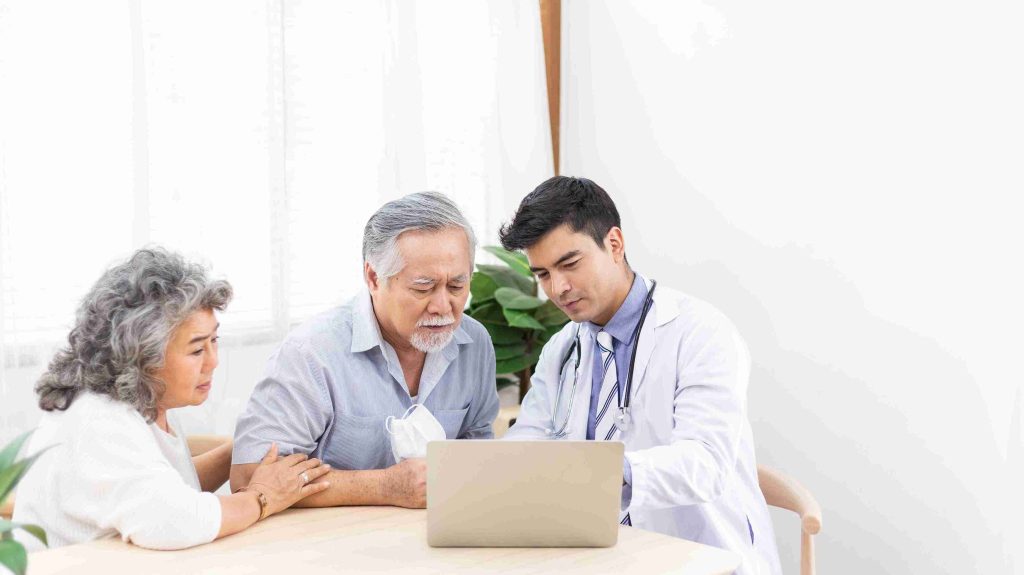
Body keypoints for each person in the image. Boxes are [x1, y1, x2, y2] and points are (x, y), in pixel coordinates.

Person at [501, 177, 781, 575]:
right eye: (543, 274)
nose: (558, 288)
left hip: (701, 556)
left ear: (614, 244)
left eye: (570, 264)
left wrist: (603, 472)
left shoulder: (700, 333)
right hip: (601, 557)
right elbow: (529, 439)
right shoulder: (562, 350)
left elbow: (706, 462)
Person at [13, 248, 330, 550]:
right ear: (141, 355)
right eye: (197, 349)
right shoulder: (98, 421)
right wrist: (262, 497)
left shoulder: (143, 398)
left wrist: (244, 448)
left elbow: (163, 489)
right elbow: (174, 521)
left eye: (214, 340)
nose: (213, 361)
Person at [230, 192, 499, 509]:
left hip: (439, 532)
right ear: (373, 278)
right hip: (329, 537)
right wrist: (384, 486)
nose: (443, 306)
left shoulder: (474, 343)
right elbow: (250, 476)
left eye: (456, 286)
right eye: (423, 288)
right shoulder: (312, 352)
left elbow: (478, 451)